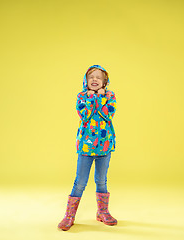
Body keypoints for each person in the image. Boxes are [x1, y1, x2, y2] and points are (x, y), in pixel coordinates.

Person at [57, 64, 117, 231]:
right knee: (80, 182)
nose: (95, 79)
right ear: (86, 81)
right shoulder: (82, 96)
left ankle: (102, 212)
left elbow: (107, 114)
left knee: (101, 181)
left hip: (104, 146)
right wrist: (91, 98)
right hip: (85, 147)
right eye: (91, 77)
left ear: (105, 82)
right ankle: (69, 216)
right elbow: (85, 115)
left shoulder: (110, 96)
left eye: (99, 77)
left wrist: (101, 98)